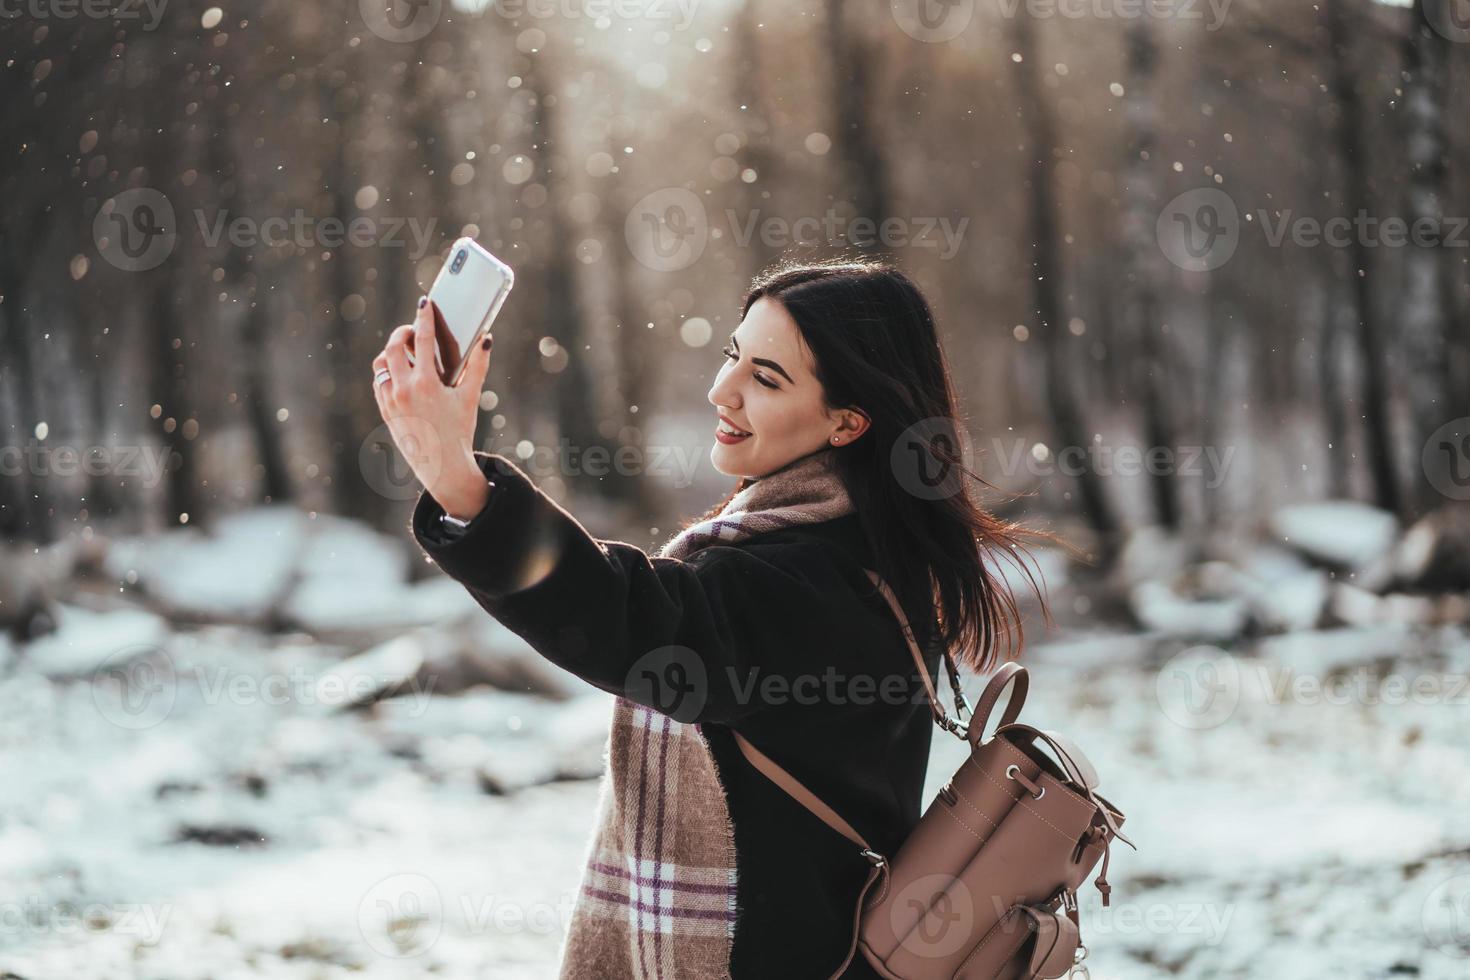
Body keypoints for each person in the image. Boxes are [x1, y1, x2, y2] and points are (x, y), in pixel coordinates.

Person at [371, 257, 1046, 979]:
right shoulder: (853, 551)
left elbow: (636, 622)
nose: (722, 390)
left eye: (766, 377)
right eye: (734, 355)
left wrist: (462, 485)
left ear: (847, 423)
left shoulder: (818, 583)